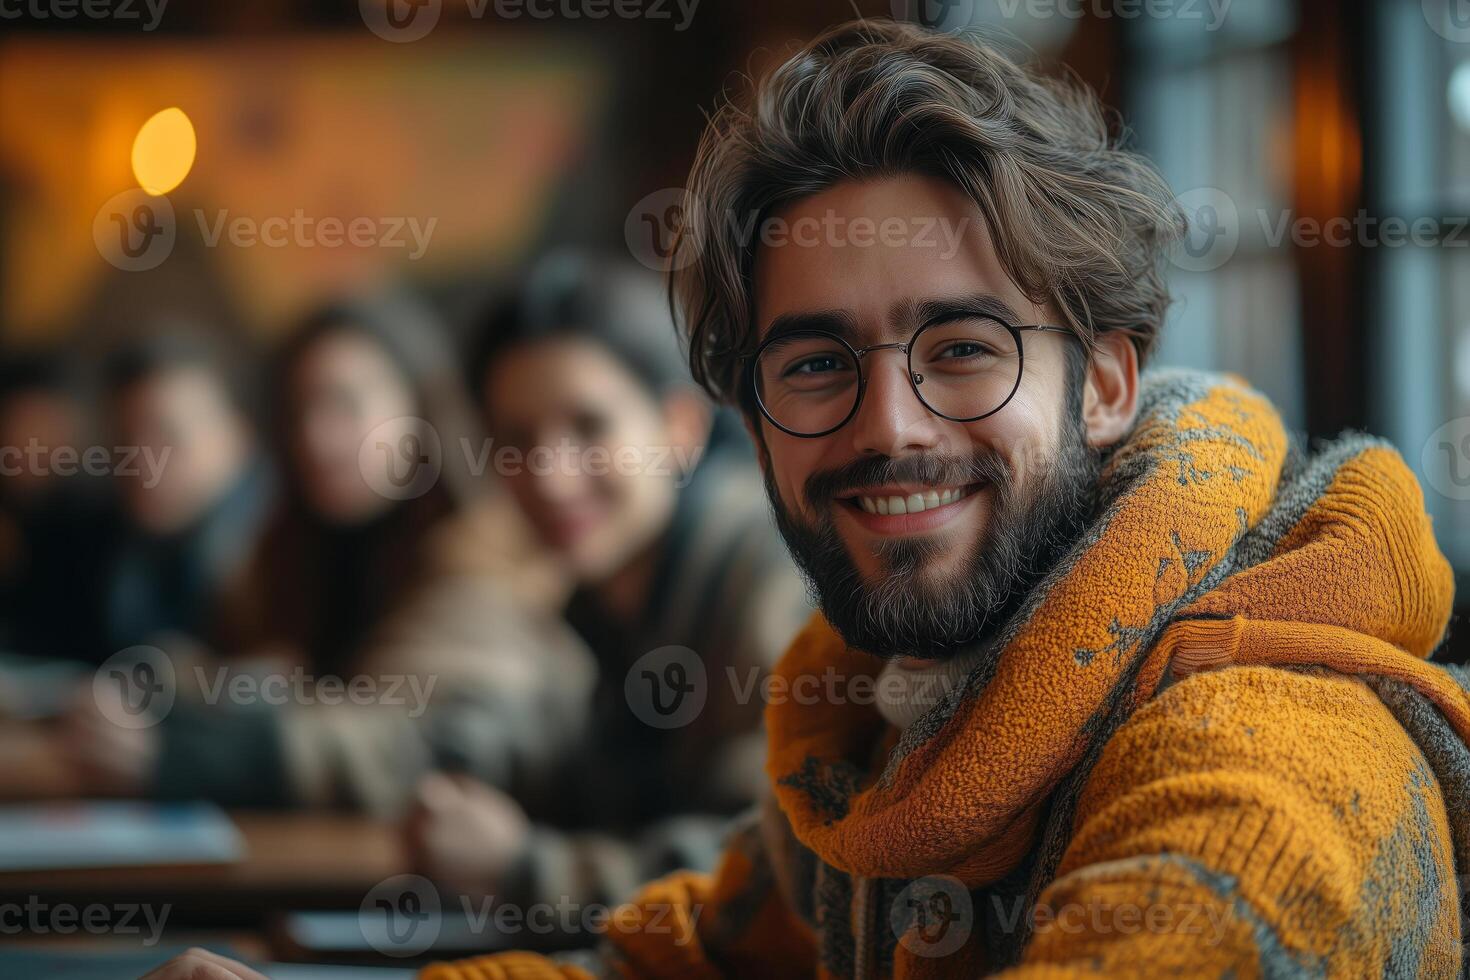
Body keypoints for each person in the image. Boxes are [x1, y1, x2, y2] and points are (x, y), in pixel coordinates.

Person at [150, 18, 1470, 980]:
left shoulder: (1267, 767)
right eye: (816, 365)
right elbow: (687, 959)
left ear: (1108, 381)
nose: (887, 428)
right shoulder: (879, 707)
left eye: (962, 349)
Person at [404, 252, 811, 915]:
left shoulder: (763, 573)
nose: (549, 475)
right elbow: (563, 754)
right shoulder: (605, 600)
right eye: (515, 438)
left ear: (680, 428)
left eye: (589, 427)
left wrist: (525, 869)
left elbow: (776, 864)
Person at [68, 298, 583, 811]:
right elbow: (247, 667)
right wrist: (146, 683)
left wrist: (206, 754)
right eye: (299, 411)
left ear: (420, 411)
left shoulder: (481, 562)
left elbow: (415, 737)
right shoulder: (299, 554)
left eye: (346, 404)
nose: (317, 437)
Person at [97, 332, 271, 656]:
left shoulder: (281, 554)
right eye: (124, 436)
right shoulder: (107, 536)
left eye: (168, 434)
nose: (139, 458)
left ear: (238, 437)